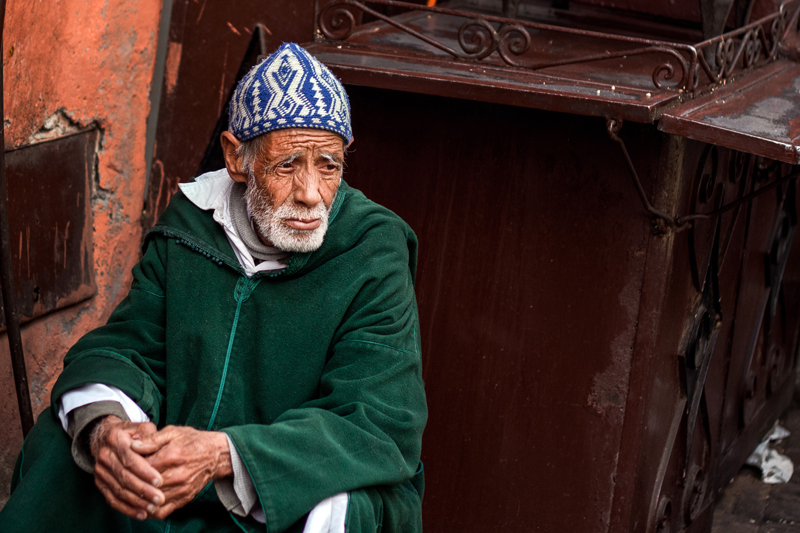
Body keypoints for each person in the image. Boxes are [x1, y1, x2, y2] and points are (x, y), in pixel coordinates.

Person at [0, 43, 427, 533]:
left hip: (285, 483)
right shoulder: (193, 225)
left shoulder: (372, 251)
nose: (311, 194)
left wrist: (228, 455)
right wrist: (110, 429)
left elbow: (378, 420)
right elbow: (131, 346)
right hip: (175, 477)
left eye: (328, 165)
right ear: (236, 158)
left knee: (349, 509)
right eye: (288, 165)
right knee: (71, 441)